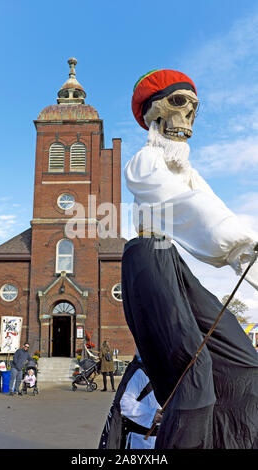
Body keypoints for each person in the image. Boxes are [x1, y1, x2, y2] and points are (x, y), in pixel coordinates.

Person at [122, 68, 258, 449]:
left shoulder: (185, 170)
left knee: (245, 363)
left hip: (171, 260)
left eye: (194, 108)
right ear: (153, 112)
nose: (188, 117)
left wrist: (248, 255)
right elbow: (184, 206)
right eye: (179, 103)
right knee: (192, 375)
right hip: (147, 259)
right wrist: (238, 242)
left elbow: (212, 204)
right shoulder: (145, 161)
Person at [98, 350, 162, 449]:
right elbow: (124, 402)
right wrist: (151, 414)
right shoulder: (141, 372)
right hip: (141, 441)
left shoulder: (168, 373)